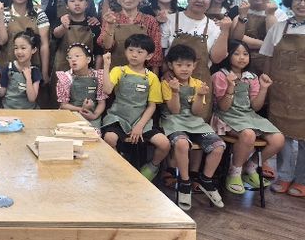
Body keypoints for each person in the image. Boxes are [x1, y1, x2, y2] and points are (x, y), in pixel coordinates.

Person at [211, 39, 285, 194]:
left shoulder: (251, 77)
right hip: (227, 115)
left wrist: (263, 89)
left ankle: (250, 167)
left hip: (248, 115)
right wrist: (230, 87)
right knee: (248, 134)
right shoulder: (220, 75)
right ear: (228, 55)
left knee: (278, 139)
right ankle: (234, 173)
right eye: (236, 54)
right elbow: (223, 107)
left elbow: (255, 107)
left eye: (245, 54)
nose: (242, 57)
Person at [160, 44, 225, 210]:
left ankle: (206, 179)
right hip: (173, 121)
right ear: (171, 65)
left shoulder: (198, 84)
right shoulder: (167, 83)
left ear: (194, 65)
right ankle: (185, 181)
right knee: (182, 143)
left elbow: (197, 112)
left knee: (218, 146)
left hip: (195, 122)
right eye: (179, 65)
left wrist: (201, 95)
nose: (184, 69)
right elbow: (174, 110)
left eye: (188, 65)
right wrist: (175, 91)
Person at [101, 34, 170, 181]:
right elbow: (107, 90)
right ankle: (120, 168)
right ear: (125, 51)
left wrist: (139, 126)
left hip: (141, 119)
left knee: (164, 143)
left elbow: (152, 106)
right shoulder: (118, 70)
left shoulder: (151, 77)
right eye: (131, 50)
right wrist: (106, 66)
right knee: (109, 138)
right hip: (118, 117)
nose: (134, 55)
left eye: (140, 52)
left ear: (149, 56)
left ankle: (152, 167)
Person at [260, 0, 305, 197]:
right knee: (283, 137)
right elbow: (267, 58)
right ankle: (284, 176)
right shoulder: (279, 27)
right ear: (290, 1)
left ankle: (302, 180)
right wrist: (266, 87)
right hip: (281, 92)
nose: (302, 4)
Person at [161, 0, 232, 87]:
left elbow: (216, 59)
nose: (200, 0)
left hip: (201, 84)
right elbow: (161, 52)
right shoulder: (170, 20)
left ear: (211, 1)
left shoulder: (214, 27)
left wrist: (225, 31)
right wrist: (165, 71)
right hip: (172, 82)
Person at [0, 0, 50, 86]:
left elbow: (44, 45)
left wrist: (44, 72)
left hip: (33, 67)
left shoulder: (39, 13)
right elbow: (1, 40)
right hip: (7, 67)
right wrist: (0, 14)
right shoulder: (3, 13)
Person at [98, 0, 163, 71]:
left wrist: (154, 79)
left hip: (141, 75)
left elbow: (155, 57)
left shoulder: (150, 21)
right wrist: (110, 25)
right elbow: (106, 46)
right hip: (114, 73)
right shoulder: (111, 18)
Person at [232, 0, 288, 75]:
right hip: (240, 63)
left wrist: (270, 15)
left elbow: (276, 41)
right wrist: (266, 45)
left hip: (269, 64)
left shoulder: (279, 14)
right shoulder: (240, 10)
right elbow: (237, 38)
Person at [52, 0, 103, 73]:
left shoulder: (93, 24)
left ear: (86, 4)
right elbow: (56, 34)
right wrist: (63, 26)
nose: (77, 3)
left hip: (87, 72)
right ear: (66, 5)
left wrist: (96, 74)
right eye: (72, 1)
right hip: (62, 70)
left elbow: (98, 53)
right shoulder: (62, 21)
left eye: (80, 0)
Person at [55, 43, 108, 128]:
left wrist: (94, 115)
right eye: (69, 57)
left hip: (92, 115)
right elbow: (63, 105)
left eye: (77, 56)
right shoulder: (66, 78)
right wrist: (82, 109)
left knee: (93, 134)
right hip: (71, 114)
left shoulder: (99, 76)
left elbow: (101, 103)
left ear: (88, 59)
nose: (73, 59)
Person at [0, 29, 42, 109]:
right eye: (16, 48)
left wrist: (28, 78)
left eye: (23, 48)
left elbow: (32, 99)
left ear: (33, 50)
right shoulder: (9, 67)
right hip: (8, 110)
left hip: (28, 111)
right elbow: (1, 93)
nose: (19, 52)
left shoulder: (35, 71)